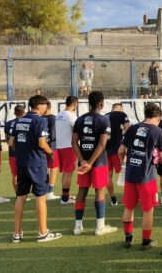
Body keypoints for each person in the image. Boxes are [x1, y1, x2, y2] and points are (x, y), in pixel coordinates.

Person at [9, 95, 62, 243]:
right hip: (37, 163)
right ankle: (43, 233)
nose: (46, 107)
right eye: (45, 104)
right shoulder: (40, 120)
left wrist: (22, 151)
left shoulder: (19, 120)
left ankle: (17, 234)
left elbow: (11, 142)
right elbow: (42, 143)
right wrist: (50, 153)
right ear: (39, 106)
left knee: (21, 196)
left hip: (22, 163)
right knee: (40, 196)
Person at [118, 103, 162, 249]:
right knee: (148, 210)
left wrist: (125, 164)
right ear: (158, 117)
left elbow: (121, 151)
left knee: (129, 207)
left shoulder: (132, 128)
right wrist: (157, 157)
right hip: (147, 177)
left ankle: (128, 238)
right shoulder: (160, 133)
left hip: (130, 175)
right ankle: (146, 241)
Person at [72, 91, 117, 236]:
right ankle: (100, 227)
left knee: (82, 191)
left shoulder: (80, 119)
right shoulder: (104, 120)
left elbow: (74, 142)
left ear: (89, 103)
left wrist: (83, 161)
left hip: (83, 161)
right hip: (99, 162)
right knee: (100, 191)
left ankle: (77, 227)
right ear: (101, 104)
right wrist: (90, 163)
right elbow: (102, 144)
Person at [105, 103, 131, 206]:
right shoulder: (122, 114)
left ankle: (113, 199)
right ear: (121, 108)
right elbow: (128, 129)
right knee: (128, 174)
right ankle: (129, 197)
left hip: (105, 150)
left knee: (108, 176)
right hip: (118, 150)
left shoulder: (105, 116)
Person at [55, 96, 79, 205]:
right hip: (69, 147)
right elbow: (77, 132)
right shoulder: (72, 116)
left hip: (60, 146)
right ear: (75, 105)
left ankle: (65, 195)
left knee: (66, 172)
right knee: (68, 173)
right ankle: (65, 199)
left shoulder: (59, 115)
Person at [5, 105, 26, 194]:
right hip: (24, 153)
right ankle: (23, 193)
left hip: (12, 153)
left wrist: (12, 147)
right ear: (24, 113)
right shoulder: (25, 123)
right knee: (24, 174)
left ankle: (17, 193)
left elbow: (7, 139)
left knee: (15, 175)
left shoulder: (8, 123)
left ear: (14, 113)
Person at [43, 107, 61, 201]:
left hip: (42, 147)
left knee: (44, 169)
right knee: (53, 169)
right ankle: (50, 192)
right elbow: (54, 134)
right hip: (52, 147)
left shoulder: (39, 117)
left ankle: (44, 191)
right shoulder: (53, 118)